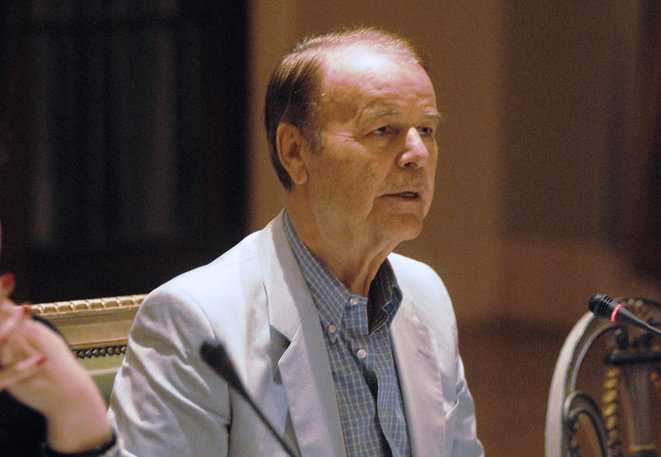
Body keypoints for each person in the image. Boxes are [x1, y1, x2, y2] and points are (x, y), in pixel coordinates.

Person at [109, 27, 483, 457]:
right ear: (295, 151)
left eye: (427, 130)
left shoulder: (427, 296)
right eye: (383, 130)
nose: (417, 153)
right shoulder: (197, 323)